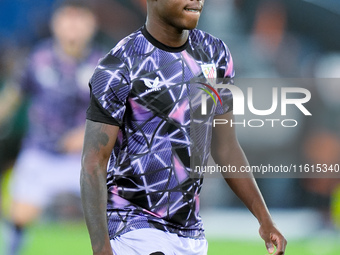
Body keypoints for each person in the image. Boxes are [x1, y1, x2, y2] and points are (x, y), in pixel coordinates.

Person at [81, 0, 287, 254]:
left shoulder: (215, 54)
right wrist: (101, 249)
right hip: (132, 226)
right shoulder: (119, 65)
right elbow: (93, 163)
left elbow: (226, 147)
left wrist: (264, 219)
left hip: (190, 232)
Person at [6, 1, 103, 254]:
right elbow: (12, 97)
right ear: (55, 23)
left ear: (91, 24)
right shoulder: (37, 59)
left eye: (79, 18)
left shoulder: (104, 63)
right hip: (41, 152)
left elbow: (120, 112)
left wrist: (87, 134)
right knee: (18, 216)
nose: (72, 25)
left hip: (87, 158)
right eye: (66, 18)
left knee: (114, 215)